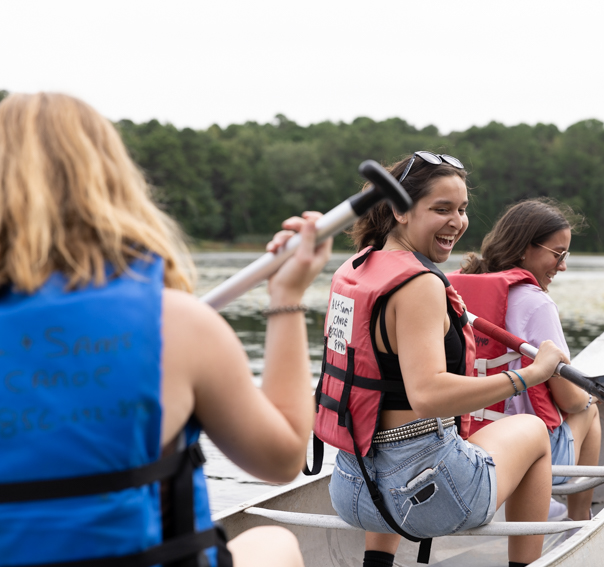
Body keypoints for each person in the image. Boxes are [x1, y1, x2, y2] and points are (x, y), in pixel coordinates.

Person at [0, 92, 330, 567]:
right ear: (112, 185)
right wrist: (286, 298)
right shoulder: (177, 323)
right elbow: (281, 460)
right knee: (273, 543)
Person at [314, 152, 568, 567]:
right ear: (399, 210)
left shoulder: (356, 269)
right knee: (534, 431)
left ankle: (376, 563)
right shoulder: (419, 284)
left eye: (463, 209)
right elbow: (428, 394)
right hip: (425, 497)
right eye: (442, 209)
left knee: (391, 431)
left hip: (351, 488)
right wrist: (530, 375)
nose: (458, 222)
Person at [450, 198, 601, 524]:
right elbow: (568, 399)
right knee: (590, 407)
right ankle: (579, 522)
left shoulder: (451, 289)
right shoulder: (536, 304)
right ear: (523, 249)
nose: (562, 266)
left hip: (459, 443)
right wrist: (589, 394)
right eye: (558, 254)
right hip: (528, 453)